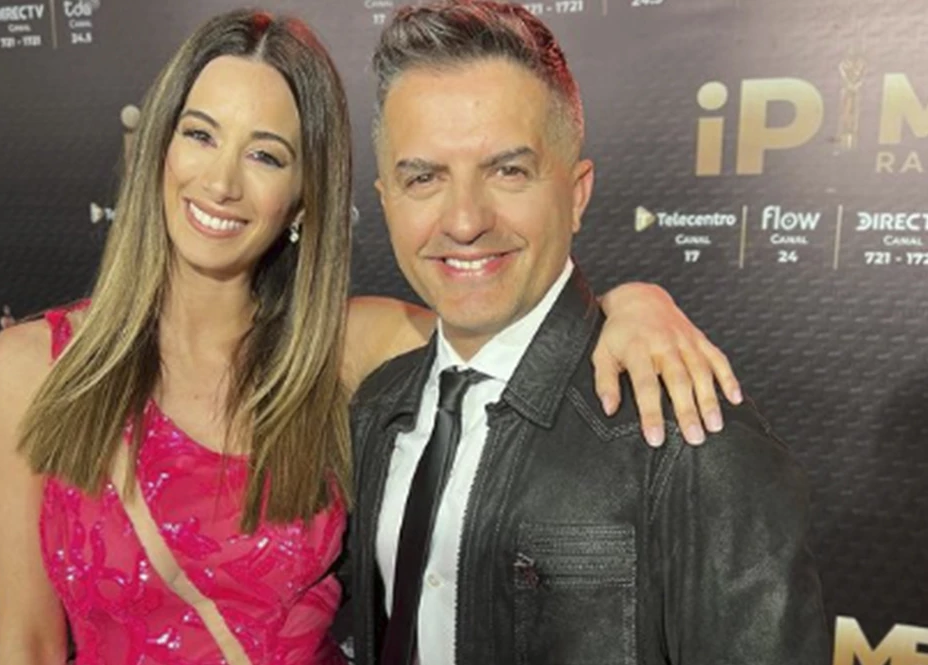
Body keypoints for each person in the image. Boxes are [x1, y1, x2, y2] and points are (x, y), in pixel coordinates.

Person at [0, 9, 743, 665]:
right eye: (200, 135)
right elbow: (28, 641)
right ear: (158, 151)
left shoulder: (341, 350)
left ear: (304, 195)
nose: (222, 182)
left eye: (266, 154)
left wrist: (633, 304)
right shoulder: (33, 369)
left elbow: (521, 322)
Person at [344, 2, 830, 664]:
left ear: (576, 193)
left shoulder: (688, 436)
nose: (464, 220)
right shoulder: (375, 410)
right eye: (424, 178)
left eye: (507, 171)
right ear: (386, 201)